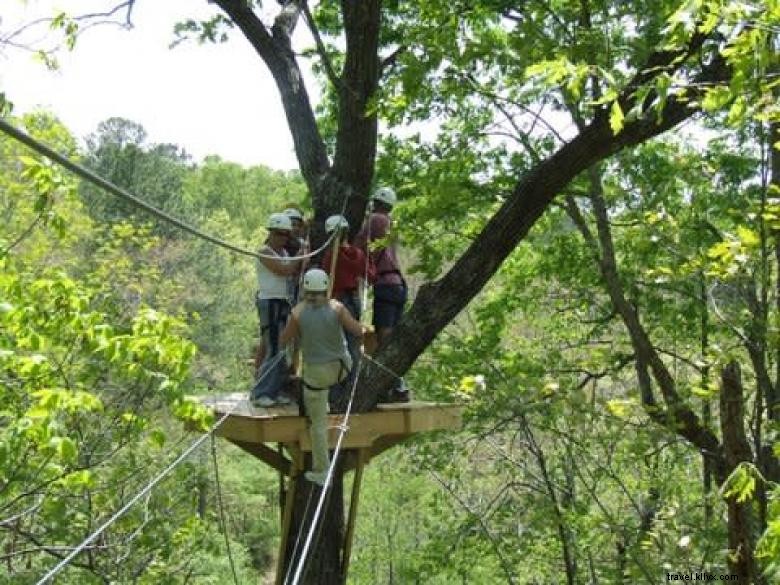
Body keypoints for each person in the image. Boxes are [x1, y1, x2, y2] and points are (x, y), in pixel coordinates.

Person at [280, 269, 365, 485]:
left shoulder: (298, 312)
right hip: (342, 368)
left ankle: (322, 471)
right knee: (321, 389)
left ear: (305, 289)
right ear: (325, 288)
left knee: (317, 424)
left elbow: (283, 341)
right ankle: (326, 402)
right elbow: (357, 331)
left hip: (317, 375)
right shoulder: (337, 307)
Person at [355, 186, 409, 402]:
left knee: (384, 337)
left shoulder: (376, 220)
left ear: (376, 202)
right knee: (392, 335)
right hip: (397, 284)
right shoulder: (391, 223)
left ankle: (394, 384)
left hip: (386, 285)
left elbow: (358, 244)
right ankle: (397, 383)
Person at [251, 213, 303, 407]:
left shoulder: (284, 253)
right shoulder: (264, 251)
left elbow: (291, 269)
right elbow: (284, 270)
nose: (283, 239)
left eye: (286, 235)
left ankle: (275, 390)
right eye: (280, 234)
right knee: (274, 348)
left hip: (282, 302)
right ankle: (261, 392)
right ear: (271, 233)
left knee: (283, 348)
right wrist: (301, 253)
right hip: (269, 303)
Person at [321, 214, 375, 364]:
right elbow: (371, 275)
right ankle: (351, 374)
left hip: (338, 302)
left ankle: (345, 379)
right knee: (353, 343)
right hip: (354, 300)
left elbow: (324, 279)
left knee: (339, 343)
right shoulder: (358, 254)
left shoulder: (332, 255)